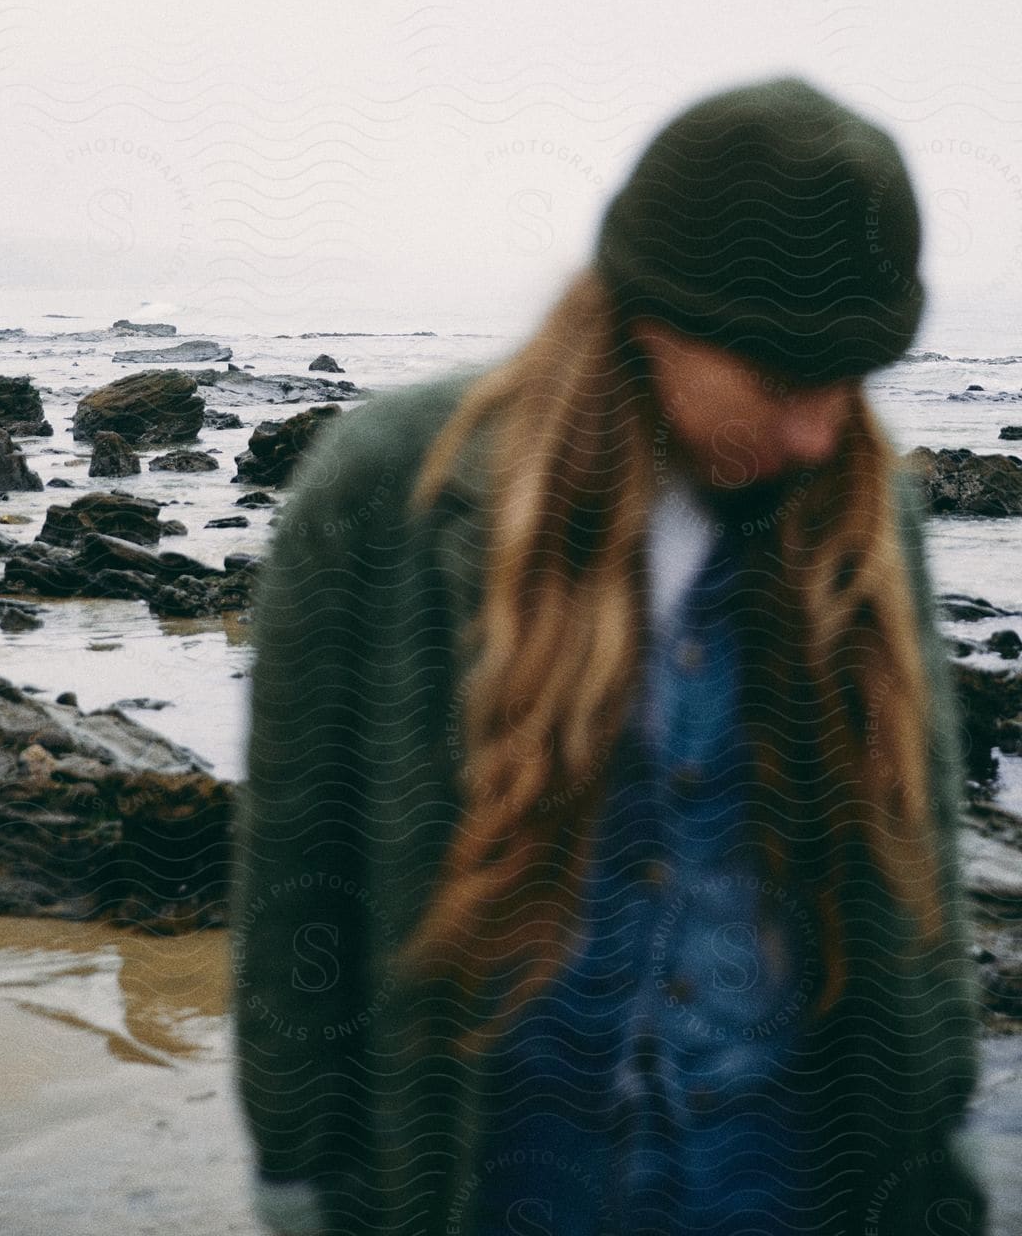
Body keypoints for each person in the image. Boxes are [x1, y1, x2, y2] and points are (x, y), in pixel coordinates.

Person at [231, 75, 990, 1235]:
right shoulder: (387, 489)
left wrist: (934, 1160)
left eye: (851, 380)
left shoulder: (863, 514)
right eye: (785, 379)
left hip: (788, 1180)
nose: (821, 431)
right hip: (500, 1180)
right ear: (649, 320)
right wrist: (298, 1179)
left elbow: (915, 865)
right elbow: (299, 874)